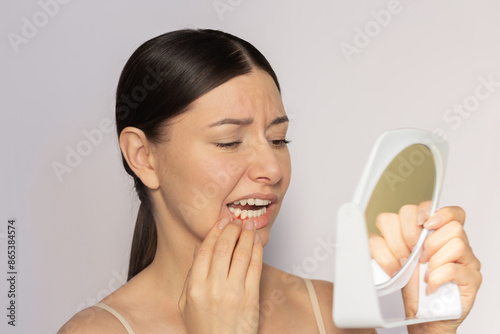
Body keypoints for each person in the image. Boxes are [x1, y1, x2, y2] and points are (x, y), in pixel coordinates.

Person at [58, 29, 481, 334]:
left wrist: (432, 331)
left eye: (278, 139)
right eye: (229, 141)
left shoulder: (332, 313)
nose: (272, 169)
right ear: (143, 157)